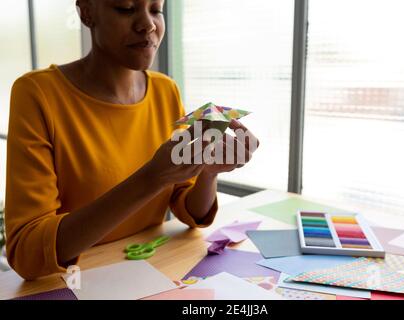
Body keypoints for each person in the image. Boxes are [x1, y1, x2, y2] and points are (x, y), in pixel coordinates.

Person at [5, 0, 259, 280]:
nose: (148, 24)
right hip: (73, 283)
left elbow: (188, 210)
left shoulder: (165, 89)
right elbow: (27, 252)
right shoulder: (37, 94)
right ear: (86, 12)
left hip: (149, 274)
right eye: (126, 8)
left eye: (156, 9)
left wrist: (208, 173)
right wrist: (152, 178)